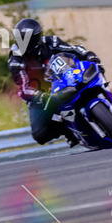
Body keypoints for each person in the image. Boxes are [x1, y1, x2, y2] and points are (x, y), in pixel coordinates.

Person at [7, 18, 102, 146]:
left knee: (94, 70)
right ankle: (67, 131)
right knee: (39, 134)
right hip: (40, 94)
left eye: (27, 39)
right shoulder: (15, 59)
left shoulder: (51, 42)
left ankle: (104, 96)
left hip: (64, 78)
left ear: (36, 37)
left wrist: (89, 55)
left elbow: (73, 49)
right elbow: (23, 87)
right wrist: (38, 95)